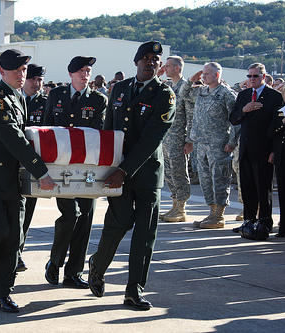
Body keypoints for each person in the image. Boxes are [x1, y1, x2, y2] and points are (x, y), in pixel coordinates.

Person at [0, 49, 56, 313]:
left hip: (9, 179)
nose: (21, 75)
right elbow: (16, 140)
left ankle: (2, 294)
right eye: (16, 71)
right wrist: (42, 173)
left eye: (24, 70)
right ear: (2, 72)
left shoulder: (18, 98)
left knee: (14, 236)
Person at [88, 41, 175, 310]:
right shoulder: (121, 88)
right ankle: (97, 267)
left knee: (144, 234)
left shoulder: (165, 94)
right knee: (117, 224)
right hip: (116, 173)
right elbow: (109, 129)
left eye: (155, 59)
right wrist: (106, 167)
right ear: (136, 62)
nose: (150, 62)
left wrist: (124, 171)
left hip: (145, 174)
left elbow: (152, 138)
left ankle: (133, 290)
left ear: (160, 66)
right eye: (146, 58)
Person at [43, 56, 107, 289]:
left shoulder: (99, 99)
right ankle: (55, 261)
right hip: (63, 167)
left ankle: (73, 272)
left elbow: (100, 132)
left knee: (86, 217)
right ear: (70, 74)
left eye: (88, 70)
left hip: (88, 166)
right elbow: (47, 128)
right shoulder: (57, 95)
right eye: (80, 70)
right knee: (71, 214)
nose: (85, 74)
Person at [182, 62, 238, 229]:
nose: (203, 76)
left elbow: (236, 121)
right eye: (202, 74)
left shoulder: (227, 94)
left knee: (219, 178)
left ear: (217, 75)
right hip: (201, 144)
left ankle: (219, 215)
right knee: (206, 180)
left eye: (207, 73)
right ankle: (211, 212)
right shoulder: (201, 91)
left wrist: (232, 142)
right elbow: (183, 93)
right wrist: (192, 79)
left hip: (218, 144)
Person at [230, 63, 283, 226]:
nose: (252, 79)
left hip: (264, 150)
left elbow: (278, 125)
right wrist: (245, 110)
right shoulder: (244, 95)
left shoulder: (274, 96)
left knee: (263, 189)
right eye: (249, 76)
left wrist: (274, 151)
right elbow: (233, 118)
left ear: (264, 77)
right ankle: (248, 221)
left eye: (255, 76)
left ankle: (265, 222)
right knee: (247, 188)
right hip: (245, 149)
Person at [18, 63, 47, 272]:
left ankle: (17, 253)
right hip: (11, 163)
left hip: (34, 165)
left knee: (26, 212)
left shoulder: (46, 103)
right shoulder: (13, 99)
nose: (36, 84)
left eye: (40, 80)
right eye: (33, 79)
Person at [157, 56, 194, 222]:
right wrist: (156, 76)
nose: (165, 68)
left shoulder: (185, 88)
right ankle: (174, 205)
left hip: (179, 137)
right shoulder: (167, 86)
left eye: (168, 66)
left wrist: (190, 140)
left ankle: (181, 208)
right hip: (166, 137)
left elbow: (191, 116)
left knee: (179, 172)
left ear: (178, 68)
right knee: (169, 174)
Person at [269, 80, 285, 237]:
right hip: (281, 156)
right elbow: (272, 133)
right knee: (283, 193)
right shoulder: (280, 111)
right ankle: (284, 227)